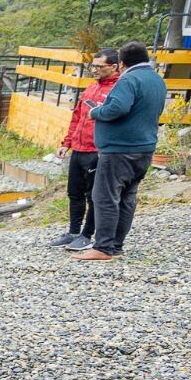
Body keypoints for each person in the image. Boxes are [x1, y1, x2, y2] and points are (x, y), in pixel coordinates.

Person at [73, 41, 167, 262]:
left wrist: (96, 112)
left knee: (105, 196)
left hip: (119, 149)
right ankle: (116, 245)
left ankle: (103, 247)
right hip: (144, 147)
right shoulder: (157, 80)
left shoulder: (129, 79)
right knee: (127, 197)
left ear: (122, 62)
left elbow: (118, 108)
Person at [51, 49, 121, 252]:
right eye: (93, 66)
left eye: (100, 66)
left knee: (94, 195)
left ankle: (87, 234)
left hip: (97, 150)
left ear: (114, 66)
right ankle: (73, 231)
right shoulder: (89, 89)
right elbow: (76, 118)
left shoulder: (117, 90)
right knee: (74, 193)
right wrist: (67, 143)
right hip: (79, 149)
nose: (95, 70)